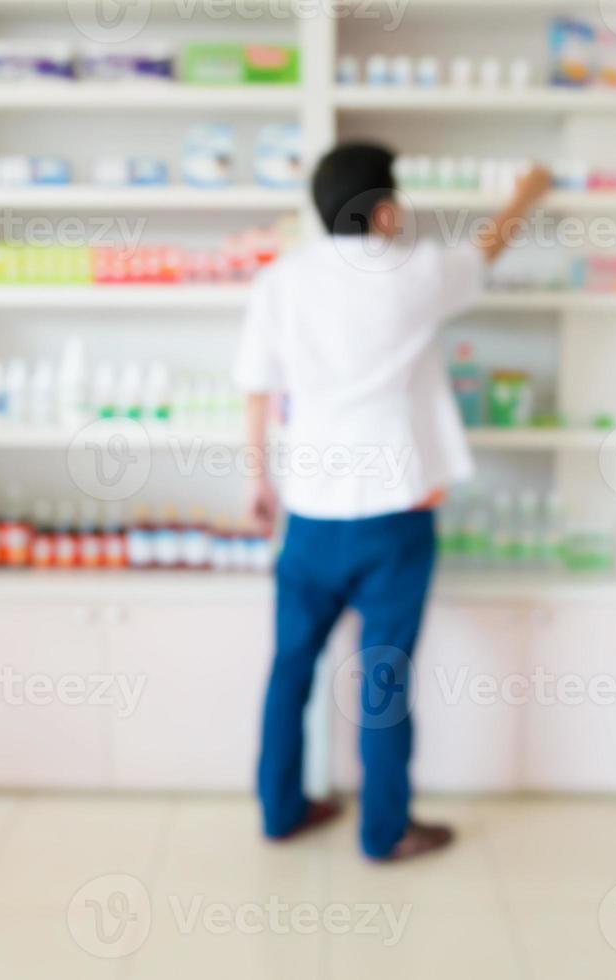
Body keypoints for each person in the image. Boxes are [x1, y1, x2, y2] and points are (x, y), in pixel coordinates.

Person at [235, 141, 551, 861]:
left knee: (291, 666)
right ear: (383, 210)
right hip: (393, 514)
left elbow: (255, 388)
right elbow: (486, 250)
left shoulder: (281, 283)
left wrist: (260, 481)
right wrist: (527, 193)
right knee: (383, 677)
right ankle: (385, 830)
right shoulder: (416, 272)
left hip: (309, 512)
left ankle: (280, 812)